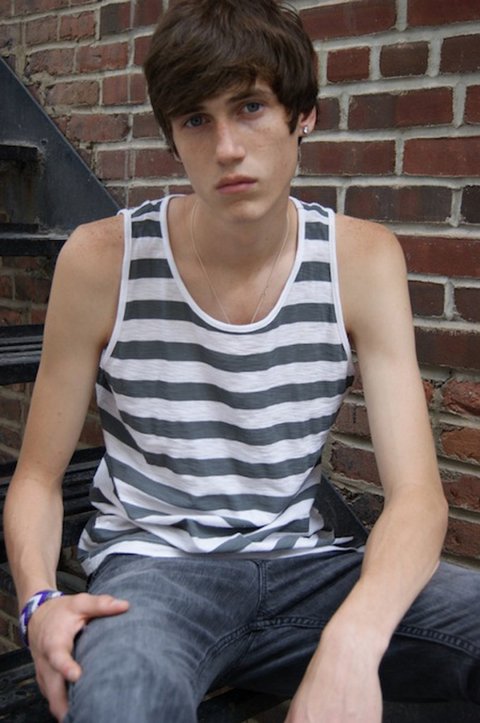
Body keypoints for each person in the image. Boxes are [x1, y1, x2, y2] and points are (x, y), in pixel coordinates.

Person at [4, 1, 480, 721]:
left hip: (309, 568)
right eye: (197, 119)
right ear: (173, 137)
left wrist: (352, 642)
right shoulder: (104, 260)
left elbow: (418, 496)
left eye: (250, 107)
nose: (227, 147)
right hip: (155, 575)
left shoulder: (360, 259)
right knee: (120, 702)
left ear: (303, 115)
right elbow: (38, 478)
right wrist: (37, 600)